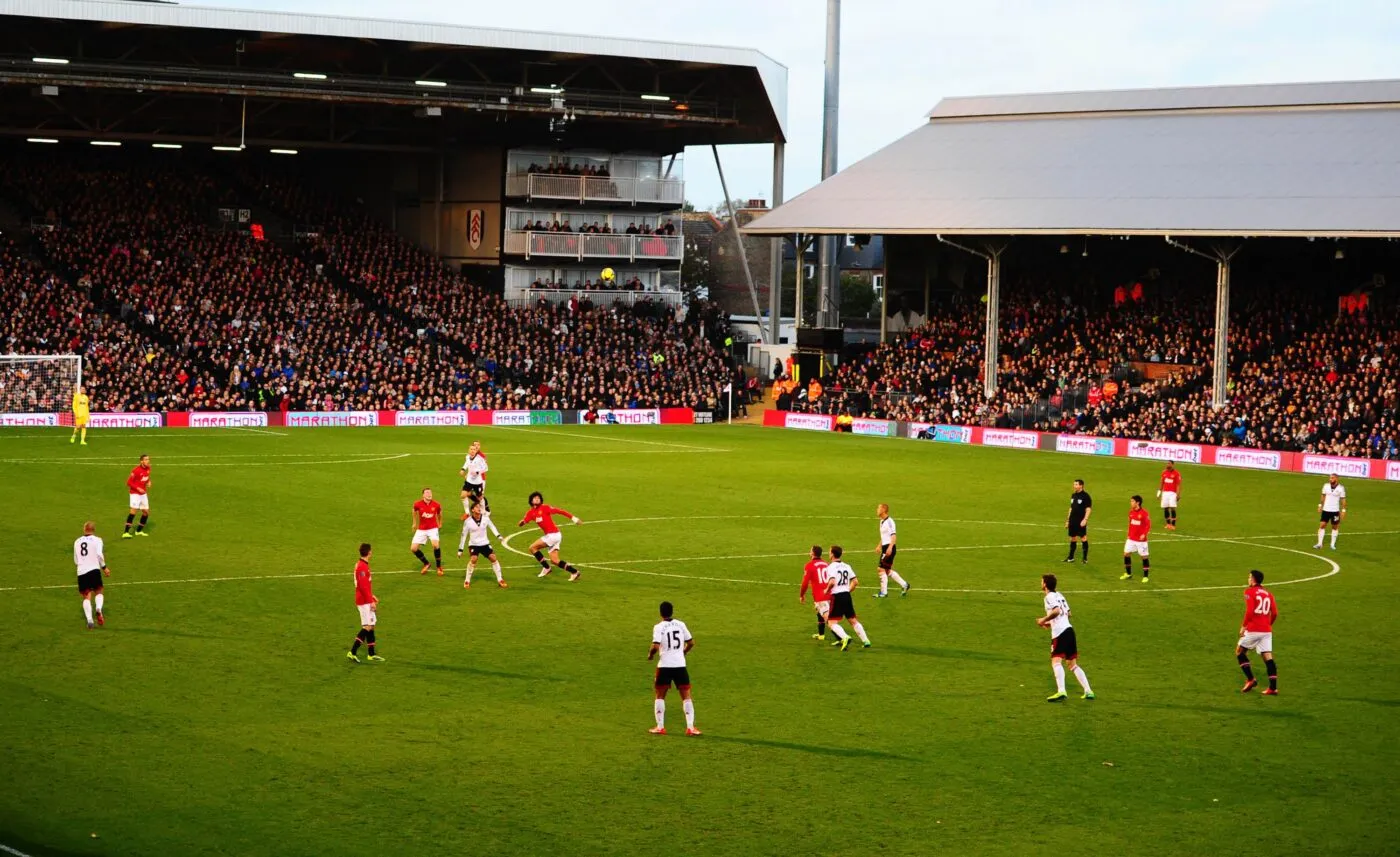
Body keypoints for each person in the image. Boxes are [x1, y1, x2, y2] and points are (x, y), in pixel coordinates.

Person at [647, 600, 700, 736]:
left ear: (660, 613)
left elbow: (655, 646)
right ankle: (690, 727)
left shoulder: (658, 627)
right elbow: (691, 642)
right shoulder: (681, 625)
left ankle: (660, 727)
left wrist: (651, 655)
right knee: (686, 696)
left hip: (665, 666)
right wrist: (684, 652)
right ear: (672, 611)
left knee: (660, 695)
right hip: (680, 665)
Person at [1038, 574, 1093, 702]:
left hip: (1060, 633)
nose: (1040, 583)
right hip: (1069, 630)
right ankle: (1088, 691)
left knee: (1056, 661)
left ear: (1045, 584)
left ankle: (1061, 691)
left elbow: (1057, 611)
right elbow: (1068, 613)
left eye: (1041, 582)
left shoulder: (1049, 597)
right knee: (1072, 664)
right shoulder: (1060, 595)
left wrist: (1043, 620)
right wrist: (1049, 623)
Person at [519, 491, 581, 581]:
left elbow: (560, 511)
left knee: (532, 548)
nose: (537, 499)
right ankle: (574, 572)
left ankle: (546, 568)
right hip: (553, 536)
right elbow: (523, 522)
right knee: (555, 560)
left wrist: (574, 518)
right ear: (531, 501)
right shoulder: (531, 513)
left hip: (554, 535)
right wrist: (521, 523)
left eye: (538, 498)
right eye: (535, 498)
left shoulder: (545, 508)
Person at [1236, 569, 1278, 695]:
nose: (1248, 579)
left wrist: (1244, 626)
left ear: (1253, 579)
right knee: (1268, 657)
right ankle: (1273, 688)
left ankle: (1250, 679)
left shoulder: (1249, 592)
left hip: (1254, 629)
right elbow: (1275, 613)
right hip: (1266, 630)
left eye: (1249, 577)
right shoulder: (1268, 594)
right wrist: (1267, 625)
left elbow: (1250, 611)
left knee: (1239, 652)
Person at [822, 546, 871, 650]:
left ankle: (845, 637)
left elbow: (832, 582)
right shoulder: (847, 566)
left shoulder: (831, 567)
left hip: (837, 596)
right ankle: (866, 640)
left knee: (831, 623)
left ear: (832, 554)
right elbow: (855, 582)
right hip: (847, 596)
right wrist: (847, 590)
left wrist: (826, 590)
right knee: (853, 620)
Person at [347, 543, 383, 663]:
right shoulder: (362, 567)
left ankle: (371, 654)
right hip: (363, 601)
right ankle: (352, 652)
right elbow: (362, 586)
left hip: (366, 598)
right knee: (367, 626)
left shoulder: (362, 565)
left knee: (371, 625)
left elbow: (364, 585)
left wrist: (371, 596)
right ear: (369, 552)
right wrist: (370, 601)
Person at [458, 501, 506, 589]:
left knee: (493, 558)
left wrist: (498, 536)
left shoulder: (485, 518)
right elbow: (463, 535)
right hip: (474, 544)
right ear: (472, 510)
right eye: (476, 507)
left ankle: (500, 579)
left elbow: (492, 526)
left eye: (479, 506)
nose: (479, 508)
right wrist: (460, 549)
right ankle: (467, 580)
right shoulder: (467, 522)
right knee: (474, 559)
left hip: (485, 543)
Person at [73, 521, 110, 629]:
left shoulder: (77, 541)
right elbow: (99, 554)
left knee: (86, 596)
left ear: (84, 529)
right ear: (93, 530)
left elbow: (75, 560)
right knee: (98, 591)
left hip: (81, 571)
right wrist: (104, 567)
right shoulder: (98, 540)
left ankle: (89, 620)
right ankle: (98, 608)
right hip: (94, 569)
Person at [874, 503, 910, 597]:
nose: (877, 510)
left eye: (878, 508)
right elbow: (884, 537)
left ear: (883, 510)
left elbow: (893, 536)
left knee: (880, 569)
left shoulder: (889, 522)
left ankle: (884, 593)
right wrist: (879, 546)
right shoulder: (882, 521)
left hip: (889, 548)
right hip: (886, 547)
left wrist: (889, 548)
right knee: (887, 571)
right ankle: (904, 585)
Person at [798, 545, 831, 640]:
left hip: (821, 595)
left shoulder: (809, 565)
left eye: (810, 550)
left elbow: (804, 583)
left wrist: (802, 595)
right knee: (819, 612)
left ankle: (842, 637)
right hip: (830, 593)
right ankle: (821, 635)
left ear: (813, 553)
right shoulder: (826, 564)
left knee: (828, 619)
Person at [410, 488, 444, 576]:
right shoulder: (418, 504)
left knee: (435, 545)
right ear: (423, 495)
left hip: (433, 528)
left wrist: (440, 523)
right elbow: (414, 510)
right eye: (427, 493)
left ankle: (439, 567)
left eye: (430, 492)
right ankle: (426, 563)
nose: (429, 494)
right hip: (422, 529)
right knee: (413, 548)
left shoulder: (436, 504)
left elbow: (440, 513)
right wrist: (414, 523)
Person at [1121, 495, 1151, 583]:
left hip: (1141, 540)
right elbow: (1130, 524)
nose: (1131, 503)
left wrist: (1144, 534)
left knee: (1144, 556)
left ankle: (1146, 576)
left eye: (1132, 501)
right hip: (1131, 539)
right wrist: (1129, 534)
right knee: (1126, 554)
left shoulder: (1144, 513)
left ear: (1138, 503)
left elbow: (1148, 525)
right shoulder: (1131, 512)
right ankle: (1128, 573)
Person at [123, 454, 151, 539]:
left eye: (148, 459)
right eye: (146, 459)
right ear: (141, 461)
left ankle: (139, 531)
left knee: (146, 512)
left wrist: (149, 482)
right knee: (133, 511)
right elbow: (129, 482)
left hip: (143, 494)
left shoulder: (149, 468)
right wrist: (138, 488)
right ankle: (126, 532)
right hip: (135, 493)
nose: (147, 461)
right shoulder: (136, 470)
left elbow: (146, 477)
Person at [1315, 474, 1346, 551]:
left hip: (1335, 511)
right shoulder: (1325, 486)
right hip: (1326, 510)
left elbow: (1343, 500)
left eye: (1332, 478)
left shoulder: (1341, 488)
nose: (1330, 479)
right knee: (1322, 525)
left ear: (1336, 479)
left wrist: (1343, 510)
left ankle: (1332, 544)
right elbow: (1323, 496)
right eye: (1330, 478)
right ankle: (1319, 544)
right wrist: (1320, 505)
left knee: (1335, 527)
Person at [1065, 479, 1092, 563]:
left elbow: (1088, 509)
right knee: (1072, 538)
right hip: (1072, 520)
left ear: (1081, 485)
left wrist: (1085, 519)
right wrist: (1067, 520)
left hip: (1080, 520)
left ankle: (1085, 558)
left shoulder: (1086, 496)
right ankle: (1071, 557)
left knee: (1083, 537)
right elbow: (1071, 508)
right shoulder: (1073, 495)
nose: (1074, 486)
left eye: (1076, 484)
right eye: (1074, 484)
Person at [459, 441, 488, 514]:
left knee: (480, 498)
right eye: (471, 449)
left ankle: (483, 512)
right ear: (469, 450)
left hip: (477, 482)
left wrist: (478, 472)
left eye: (474, 449)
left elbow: (486, 468)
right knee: (463, 495)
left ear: (476, 451)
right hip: (469, 481)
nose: (472, 451)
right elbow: (467, 463)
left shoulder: (479, 459)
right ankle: (467, 513)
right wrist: (463, 469)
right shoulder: (467, 457)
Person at [1158, 461, 1182, 531]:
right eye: (1167, 463)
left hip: (1173, 493)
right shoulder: (1164, 472)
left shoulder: (1176, 474)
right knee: (1165, 508)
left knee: (1172, 508)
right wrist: (1159, 493)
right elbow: (1161, 483)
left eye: (1169, 464)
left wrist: (1178, 495)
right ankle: (1168, 524)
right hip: (1165, 493)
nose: (1167, 465)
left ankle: (1173, 525)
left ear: (1173, 465)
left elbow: (1178, 485)